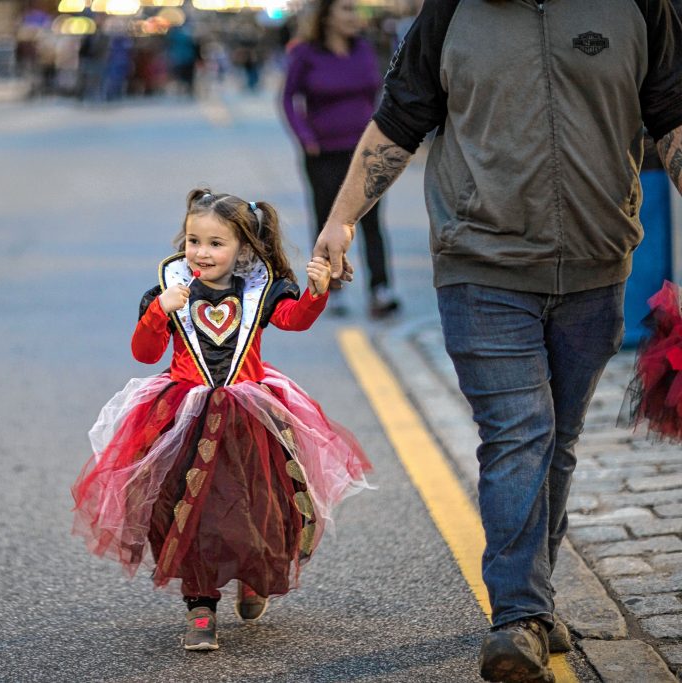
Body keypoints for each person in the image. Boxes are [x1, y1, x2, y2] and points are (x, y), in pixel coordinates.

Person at [312, 1, 682, 681]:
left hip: (598, 269)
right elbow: (399, 119)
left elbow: (672, 115)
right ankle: (518, 616)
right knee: (518, 431)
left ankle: (534, 598)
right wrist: (340, 221)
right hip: (480, 265)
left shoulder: (637, 6)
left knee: (558, 437)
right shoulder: (450, 11)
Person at [71, 189, 370, 651]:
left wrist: (315, 294)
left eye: (215, 243)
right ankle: (201, 606)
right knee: (186, 507)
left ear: (243, 249)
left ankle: (252, 578)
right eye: (193, 241)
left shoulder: (259, 289)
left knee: (255, 504)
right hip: (182, 415)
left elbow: (294, 320)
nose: (201, 253)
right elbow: (144, 352)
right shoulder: (168, 290)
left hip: (247, 416)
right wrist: (158, 313)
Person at [282, 0, 399, 317]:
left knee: (372, 221)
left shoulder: (363, 48)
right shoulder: (305, 53)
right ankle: (330, 289)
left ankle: (380, 288)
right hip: (324, 152)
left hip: (364, 151)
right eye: (346, 8)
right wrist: (305, 137)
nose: (354, 16)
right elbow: (288, 98)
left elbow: (378, 92)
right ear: (327, 16)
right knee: (327, 220)